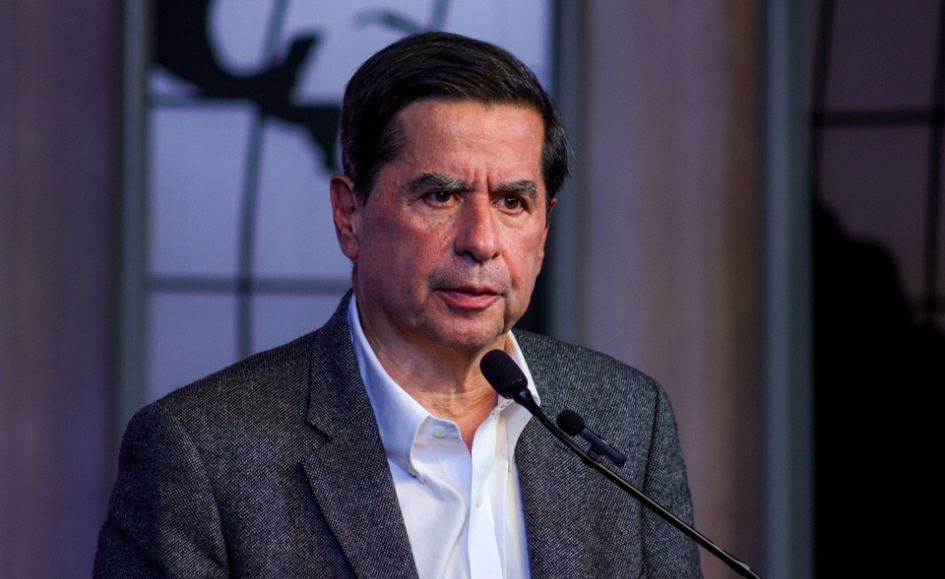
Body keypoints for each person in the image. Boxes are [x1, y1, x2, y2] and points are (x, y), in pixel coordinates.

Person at [94, 31, 702, 579]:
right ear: (349, 215)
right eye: (440, 195)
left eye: (513, 202)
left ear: (543, 234)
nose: (482, 241)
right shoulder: (201, 454)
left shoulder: (629, 418)